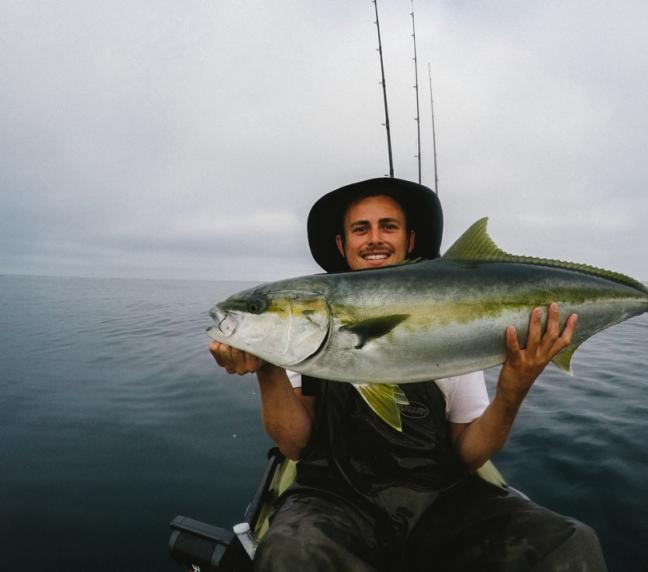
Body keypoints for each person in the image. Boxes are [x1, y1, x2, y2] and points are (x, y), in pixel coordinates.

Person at [209, 177, 607, 571]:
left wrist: (512, 391)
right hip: (334, 501)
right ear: (341, 245)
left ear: (410, 239)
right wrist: (268, 369)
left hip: (440, 502)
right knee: (289, 553)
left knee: (571, 544)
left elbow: (469, 453)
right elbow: (295, 446)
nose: (375, 239)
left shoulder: (445, 314)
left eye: (389, 226)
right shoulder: (304, 344)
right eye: (360, 229)